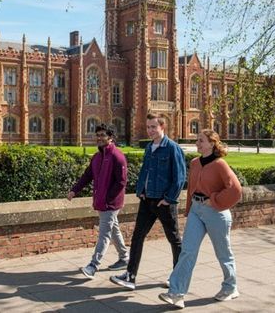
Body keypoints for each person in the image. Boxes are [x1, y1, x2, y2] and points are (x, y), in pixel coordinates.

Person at [159, 129, 242, 309]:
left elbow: (235, 190)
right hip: (197, 211)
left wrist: (215, 201)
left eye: (201, 140)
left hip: (216, 213)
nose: (197, 143)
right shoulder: (195, 163)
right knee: (188, 251)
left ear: (212, 143)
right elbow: (191, 189)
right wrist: (190, 209)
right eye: (197, 140)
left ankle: (230, 287)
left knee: (223, 253)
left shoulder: (220, 164)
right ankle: (176, 293)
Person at [110, 113, 186, 290]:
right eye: (148, 127)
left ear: (162, 127)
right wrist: (140, 191)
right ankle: (130, 276)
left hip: (163, 202)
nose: (150, 130)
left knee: (173, 238)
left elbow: (180, 177)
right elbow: (145, 171)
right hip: (147, 199)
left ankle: (177, 277)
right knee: (137, 237)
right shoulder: (149, 147)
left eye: (154, 127)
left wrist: (169, 199)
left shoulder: (172, 148)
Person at [67, 123, 130, 279]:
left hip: (111, 203)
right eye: (98, 135)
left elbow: (121, 182)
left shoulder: (117, 156)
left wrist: (108, 198)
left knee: (104, 233)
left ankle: (93, 265)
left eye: (103, 135)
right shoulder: (96, 157)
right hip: (101, 201)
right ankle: (124, 257)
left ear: (110, 137)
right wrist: (74, 190)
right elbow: (87, 176)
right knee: (113, 228)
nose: (99, 138)